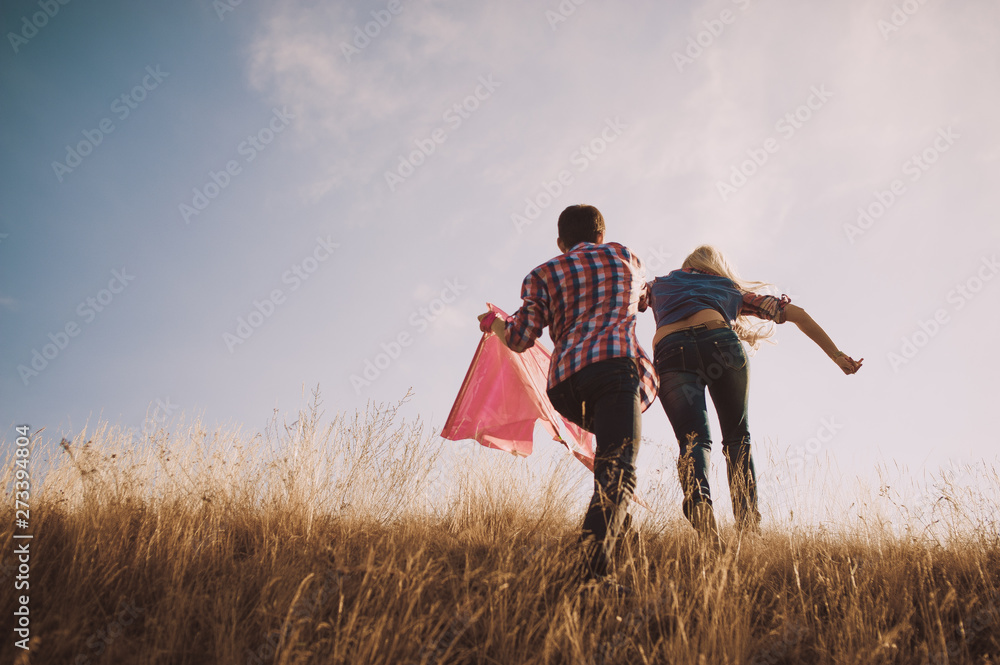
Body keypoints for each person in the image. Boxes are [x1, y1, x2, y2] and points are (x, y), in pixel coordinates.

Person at [477, 204, 657, 584]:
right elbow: (643, 298)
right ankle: (592, 577)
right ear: (601, 236)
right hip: (614, 372)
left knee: (611, 461)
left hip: (566, 387)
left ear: (561, 243)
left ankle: (618, 539)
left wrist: (494, 323)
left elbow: (520, 338)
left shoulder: (542, 274)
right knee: (619, 471)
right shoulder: (625, 257)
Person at [648, 245, 862, 546]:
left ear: (686, 265)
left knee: (693, 439)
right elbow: (797, 314)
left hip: (670, 352)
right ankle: (748, 527)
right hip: (719, 341)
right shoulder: (727, 287)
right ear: (717, 267)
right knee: (737, 438)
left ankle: (699, 502)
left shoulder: (659, 284)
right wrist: (837, 355)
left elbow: (621, 297)